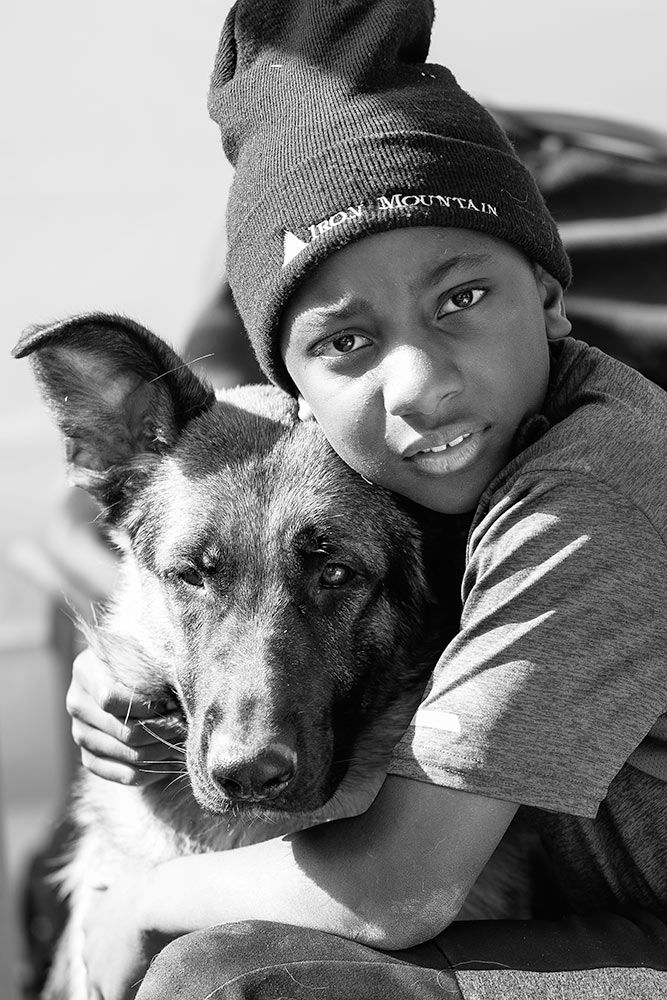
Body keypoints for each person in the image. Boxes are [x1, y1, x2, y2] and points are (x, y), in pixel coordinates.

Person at [66, 2, 667, 998]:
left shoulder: (591, 490)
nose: (420, 383)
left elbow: (398, 889)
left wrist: (133, 903)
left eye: (461, 298)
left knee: (230, 975)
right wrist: (126, 673)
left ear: (551, 295)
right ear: (299, 392)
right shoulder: (421, 460)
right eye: (347, 340)